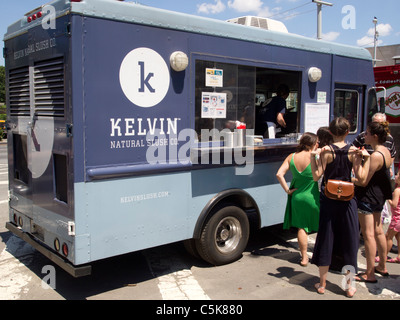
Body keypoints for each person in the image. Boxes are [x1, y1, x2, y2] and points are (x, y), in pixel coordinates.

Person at [310, 117, 370, 298]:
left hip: (329, 200)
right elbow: (361, 179)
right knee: (349, 242)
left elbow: (316, 176)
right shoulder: (354, 152)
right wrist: (365, 160)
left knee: (326, 239)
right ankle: (349, 287)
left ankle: (321, 284)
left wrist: (314, 157)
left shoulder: (326, 152)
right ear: (347, 131)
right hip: (348, 202)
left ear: (330, 132)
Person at [354, 121, 392, 283]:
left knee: (368, 234)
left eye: (367, 133)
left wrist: (356, 164)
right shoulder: (386, 151)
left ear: (375, 136)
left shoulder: (375, 156)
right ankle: (382, 266)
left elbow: (363, 181)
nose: (364, 136)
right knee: (378, 231)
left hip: (367, 198)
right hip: (379, 196)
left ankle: (369, 274)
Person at [276, 133, 320, 267]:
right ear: (312, 144)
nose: (318, 144)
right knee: (320, 227)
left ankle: (304, 257)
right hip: (313, 196)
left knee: (302, 228)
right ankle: (319, 255)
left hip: (297, 197)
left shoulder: (292, 157)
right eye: (317, 142)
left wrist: (288, 190)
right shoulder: (315, 157)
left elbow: (279, 174)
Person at [386, 172, 400, 263]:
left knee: (388, 237)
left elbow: (394, 205)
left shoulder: (397, 190)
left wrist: (388, 199)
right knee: (398, 237)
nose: (395, 176)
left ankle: (383, 256)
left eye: (397, 175)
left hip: (396, 219)